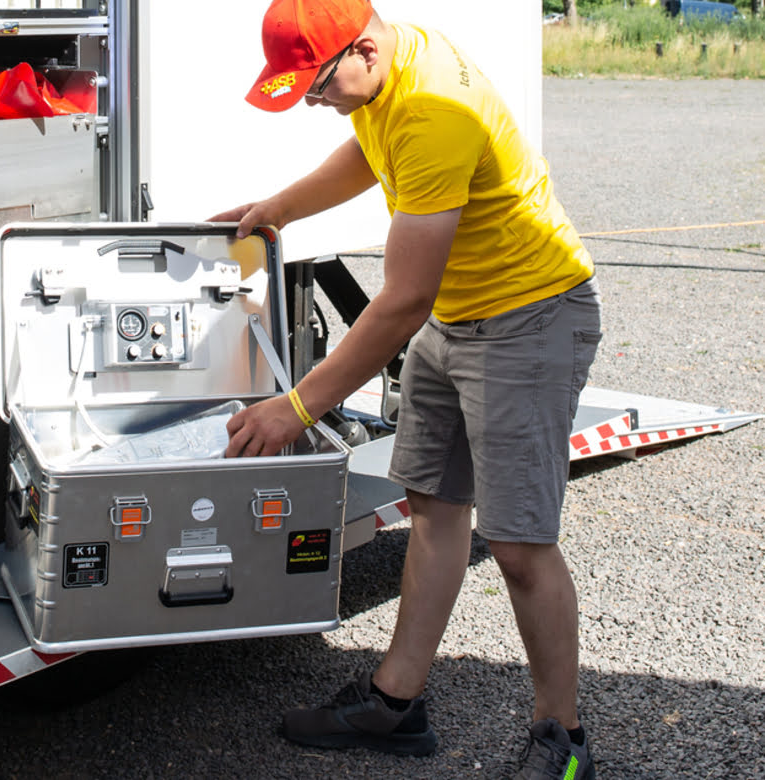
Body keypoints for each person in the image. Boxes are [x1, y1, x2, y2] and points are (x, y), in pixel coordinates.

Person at [210, 1, 601, 778]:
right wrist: (277, 209)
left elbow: (400, 301)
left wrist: (298, 408)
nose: (313, 103)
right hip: (458, 319)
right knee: (433, 507)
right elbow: (368, 154)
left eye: (316, 86)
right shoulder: (392, 71)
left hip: (528, 321)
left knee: (521, 545)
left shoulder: (432, 111)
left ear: (361, 48)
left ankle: (563, 742)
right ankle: (396, 703)